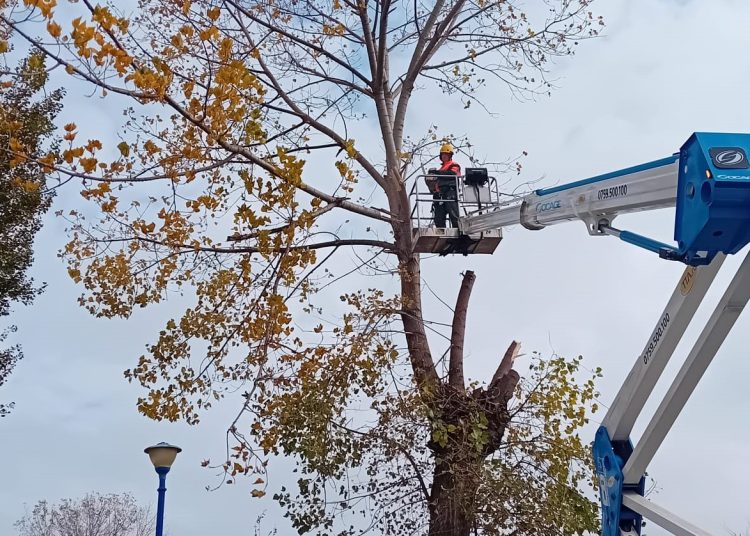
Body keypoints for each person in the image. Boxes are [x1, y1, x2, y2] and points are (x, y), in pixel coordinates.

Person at [426, 143, 461, 228]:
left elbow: (452, 174)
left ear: (450, 155)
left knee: (453, 214)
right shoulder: (441, 169)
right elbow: (435, 183)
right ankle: (441, 233)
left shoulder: (454, 165)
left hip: (450, 192)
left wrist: (437, 173)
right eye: (443, 154)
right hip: (439, 195)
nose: (444, 156)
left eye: (446, 154)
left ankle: (459, 233)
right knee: (439, 217)